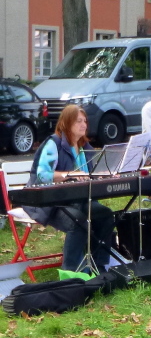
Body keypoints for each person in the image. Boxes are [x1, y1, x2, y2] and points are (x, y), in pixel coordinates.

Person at [23, 105, 115, 273]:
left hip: (77, 199)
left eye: (85, 121)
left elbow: (90, 175)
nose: (84, 125)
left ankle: (98, 267)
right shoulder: (54, 143)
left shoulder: (85, 147)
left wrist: (105, 175)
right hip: (50, 203)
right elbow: (42, 175)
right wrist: (69, 175)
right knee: (78, 222)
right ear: (66, 123)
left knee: (106, 215)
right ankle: (71, 272)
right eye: (78, 121)